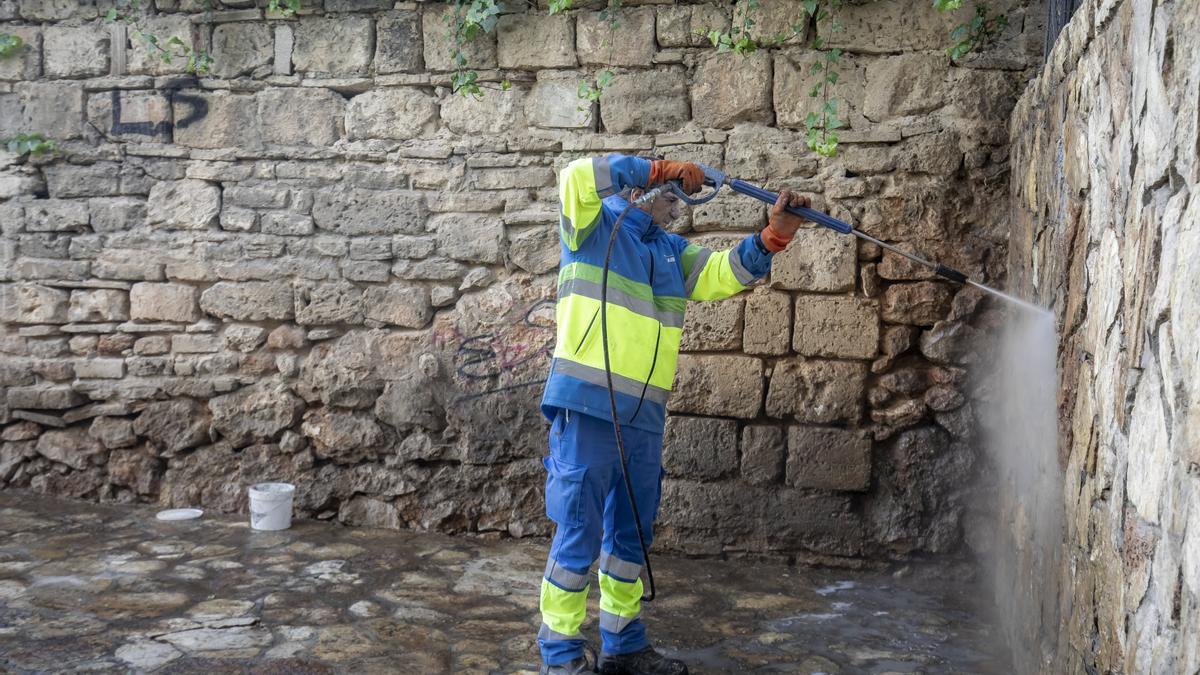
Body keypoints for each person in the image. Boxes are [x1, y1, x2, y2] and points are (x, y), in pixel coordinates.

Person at [536, 154, 811, 675]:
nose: (679, 202)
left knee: (629, 538)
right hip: (588, 410)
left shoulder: (669, 252)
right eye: (671, 192)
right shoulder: (590, 226)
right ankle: (561, 657)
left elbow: (722, 274)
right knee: (578, 535)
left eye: (677, 192)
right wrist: (655, 167)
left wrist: (773, 237)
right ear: (638, 189)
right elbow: (575, 174)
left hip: (642, 419)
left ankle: (623, 646)